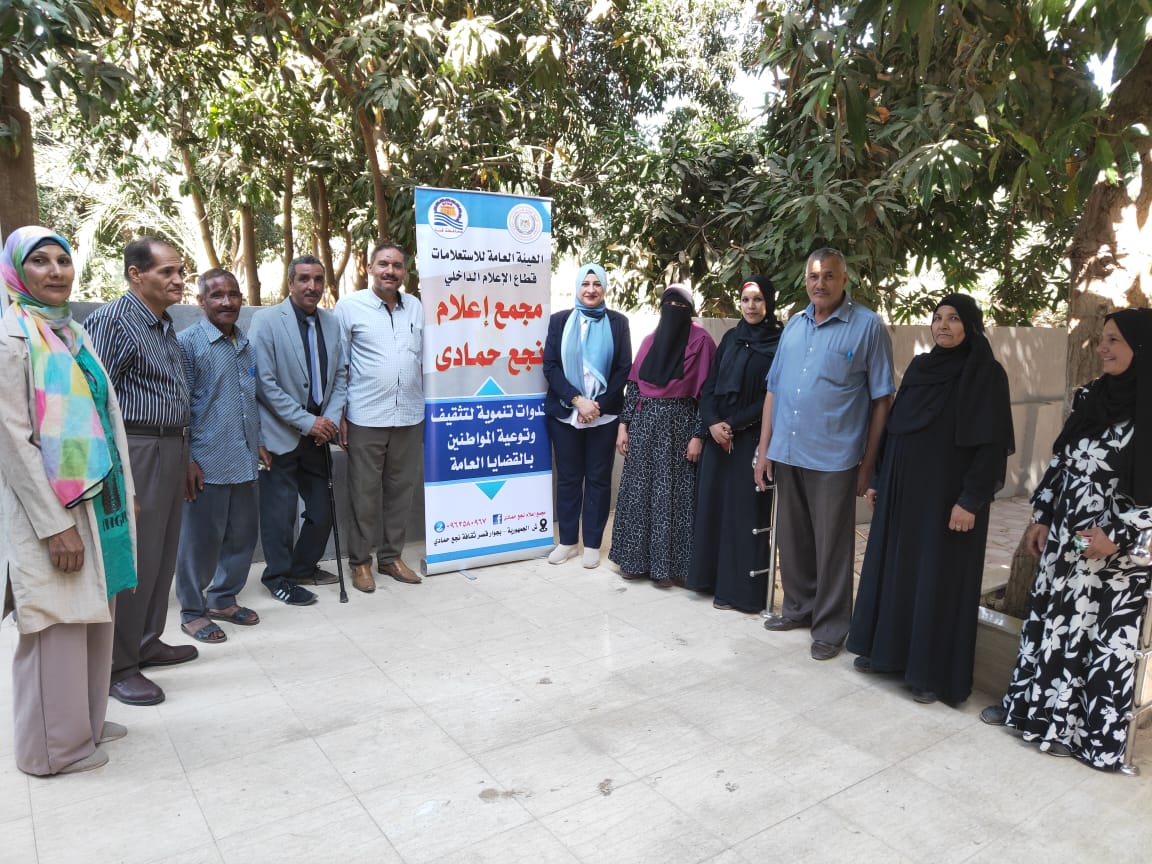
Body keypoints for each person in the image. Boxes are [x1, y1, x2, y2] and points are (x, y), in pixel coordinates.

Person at [981, 308, 1152, 769]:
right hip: (1067, 540)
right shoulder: (1092, 396)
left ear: (1142, 348)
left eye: (1114, 340)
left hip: (1115, 554)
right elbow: (1062, 459)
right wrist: (1042, 516)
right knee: (1053, 626)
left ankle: (1078, 735)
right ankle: (1033, 715)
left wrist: (1117, 534)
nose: (1103, 348)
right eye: (1103, 339)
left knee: (1095, 638)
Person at [0, 226, 137, 774]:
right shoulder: (12, 338)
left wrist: (125, 497)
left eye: (63, 259)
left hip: (99, 502)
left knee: (96, 613)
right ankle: (52, 749)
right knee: (56, 621)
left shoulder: (70, 332)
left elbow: (103, 418)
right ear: (16, 272)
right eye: (40, 261)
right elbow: (13, 443)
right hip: (54, 508)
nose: (56, 271)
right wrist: (54, 525)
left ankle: (86, 720)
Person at [847, 295, 1014, 704]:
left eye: (954, 319)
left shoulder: (986, 374)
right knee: (896, 569)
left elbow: (992, 446)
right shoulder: (921, 367)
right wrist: (879, 479)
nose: (943, 326)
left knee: (936, 579)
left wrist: (971, 500)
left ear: (970, 325)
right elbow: (896, 428)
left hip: (947, 500)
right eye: (938, 318)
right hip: (903, 493)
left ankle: (928, 674)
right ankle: (885, 654)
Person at [754, 248, 895, 661]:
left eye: (829, 276)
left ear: (844, 279)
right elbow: (773, 389)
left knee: (832, 546)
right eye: (814, 276)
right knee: (792, 539)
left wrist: (868, 464)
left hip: (835, 456)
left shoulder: (867, 326)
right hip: (789, 450)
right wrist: (765, 449)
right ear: (806, 281)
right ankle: (798, 608)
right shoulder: (794, 325)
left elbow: (882, 399)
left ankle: (831, 627)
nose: (821, 283)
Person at [84, 237, 195, 706]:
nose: (178, 280)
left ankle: (146, 641)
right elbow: (93, 397)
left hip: (171, 446)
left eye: (179, 271)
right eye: (167, 271)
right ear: (136, 274)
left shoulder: (163, 323)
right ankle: (117, 666)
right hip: (137, 448)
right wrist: (108, 471)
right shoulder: (114, 320)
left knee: (161, 555)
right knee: (134, 557)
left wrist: (186, 454)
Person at [173, 269, 270, 643]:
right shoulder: (187, 344)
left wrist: (257, 441)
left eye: (233, 294)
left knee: (241, 538)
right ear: (200, 302)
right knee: (199, 543)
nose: (227, 302)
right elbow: (180, 406)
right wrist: (187, 459)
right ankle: (192, 611)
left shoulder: (244, 343)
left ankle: (223, 599)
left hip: (244, 459)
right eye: (216, 295)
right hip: (206, 463)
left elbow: (249, 400)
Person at [250, 254, 347, 606]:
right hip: (280, 434)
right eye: (304, 279)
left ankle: (303, 567)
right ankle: (277, 577)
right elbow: (264, 383)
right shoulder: (266, 321)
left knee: (322, 510)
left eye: (318, 279)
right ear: (290, 283)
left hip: (318, 437)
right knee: (280, 515)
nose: (312, 286)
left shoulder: (331, 323)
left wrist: (328, 421)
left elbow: (340, 376)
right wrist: (308, 422)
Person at [609, 285, 717, 587]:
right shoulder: (649, 341)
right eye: (669, 306)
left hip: (679, 428)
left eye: (681, 307)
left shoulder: (701, 343)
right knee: (639, 494)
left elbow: (708, 394)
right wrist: (623, 425)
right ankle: (634, 561)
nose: (674, 312)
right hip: (644, 427)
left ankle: (671, 567)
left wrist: (698, 435)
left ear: (690, 311)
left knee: (675, 497)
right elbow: (633, 387)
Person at [686, 276, 783, 611]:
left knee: (743, 515)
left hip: (752, 439)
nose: (751, 306)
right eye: (745, 300)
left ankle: (741, 593)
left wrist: (734, 424)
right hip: (718, 438)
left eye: (758, 299)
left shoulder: (779, 342)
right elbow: (710, 386)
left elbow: (772, 394)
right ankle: (709, 581)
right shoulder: (730, 338)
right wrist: (712, 423)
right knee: (714, 509)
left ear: (768, 302)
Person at [335, 242, 424, 592]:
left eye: (397, 265)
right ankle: (360, 562)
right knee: (364, 494)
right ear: (370, 268)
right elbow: (339, 364)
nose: (390, 271)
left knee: (401, 491)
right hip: (366, 415)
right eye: (384, 264)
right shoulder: (349, 307)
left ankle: (391, 557)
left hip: (409, 415)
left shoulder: (415, 306)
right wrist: (340, 413)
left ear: (404, 272)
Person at [542, 264, 632, 568]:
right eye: (585, 284)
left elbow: (623, 369)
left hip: (603, 417)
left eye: (597, 284)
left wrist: (598, 406)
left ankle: (592, 543)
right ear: (577, 287)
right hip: (566, 413)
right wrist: (578, 401)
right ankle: (568, 541)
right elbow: (550, 366)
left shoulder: (618, 323)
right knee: (568, 479)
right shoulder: (560, 321)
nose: (591, 290)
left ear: (604, 288)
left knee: (598, 479)